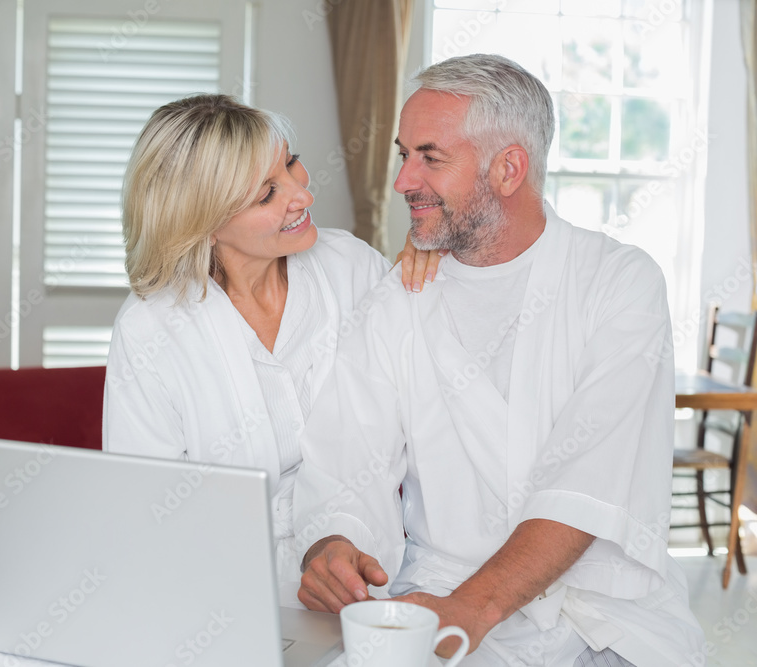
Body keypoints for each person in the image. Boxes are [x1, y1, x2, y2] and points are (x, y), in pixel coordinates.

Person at [292, 55, 706, 665]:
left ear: (509, 167)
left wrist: (475, 608)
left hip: (604, 614)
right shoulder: (397, 301)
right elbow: (349, 458)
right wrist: (334, 542)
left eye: (430, 157)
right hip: (438, 597)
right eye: (403, 155)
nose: (404, 181)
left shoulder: (619, 284)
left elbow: (588, 482)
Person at [103, 94, 441, 607]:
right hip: (218, 592)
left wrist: (438, 257)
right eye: (267, 194)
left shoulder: (349, 265)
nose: (302, 195)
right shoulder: (150, 328)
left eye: (289, 163)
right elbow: (145, 514)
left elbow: (436, 376)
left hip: (366, 569)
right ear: (205, 222)